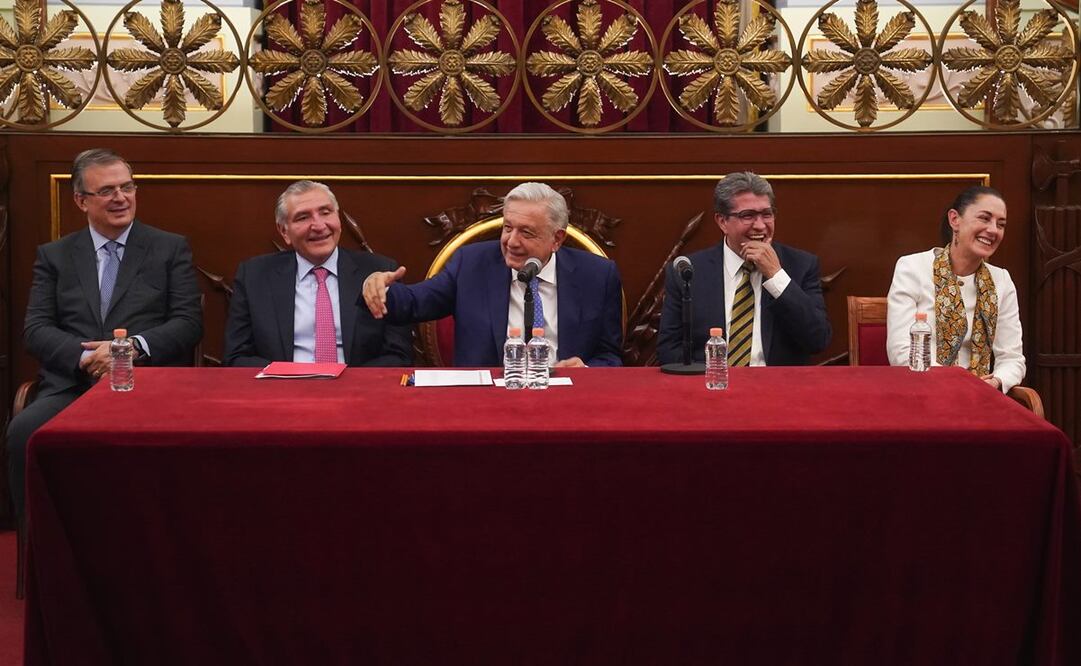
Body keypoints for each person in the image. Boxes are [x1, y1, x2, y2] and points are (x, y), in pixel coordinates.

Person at [5, 148, 203, 523]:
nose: (121, 198)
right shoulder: (55, 256)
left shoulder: (168, 248)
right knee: (23, 432)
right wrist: (87, 359)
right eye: (107, 190)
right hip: (71, 385)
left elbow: (188, 322)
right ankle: (37, 559)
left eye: (127, 187)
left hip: (149, 385)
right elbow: (36, 328)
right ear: (81, 200)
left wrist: (128, 350)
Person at [361, 182, 623, 367]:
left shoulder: (598, 276)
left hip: (567, 403)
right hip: (486, 405)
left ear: (557, 239)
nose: (511, 241)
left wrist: (587, 372)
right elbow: (413, 303)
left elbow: (610, 356)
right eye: (508, 227)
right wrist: (379, 289)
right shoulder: (471, 264)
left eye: (527, 232)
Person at [223, 180, 413, 367]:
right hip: (282, 391)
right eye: (303, 217)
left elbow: (399, 356)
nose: (319, 225)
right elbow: (236, 356)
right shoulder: (254, 276)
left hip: (357, 392)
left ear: (338, 218)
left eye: (325, 212)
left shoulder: (378, 271)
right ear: (284, 232)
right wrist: (287, 380)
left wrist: (350, 384)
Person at [657, 172, 831, 366]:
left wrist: (775, 275)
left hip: (778, 389)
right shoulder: (688, 271)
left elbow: (817, 340)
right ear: (722, 222)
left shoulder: (801, 265)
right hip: (711, 385)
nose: (760, 226)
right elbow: (668, 349)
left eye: (767, 214)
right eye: (747, 216)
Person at [887, 185, 1024, 392]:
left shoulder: (1001, 280)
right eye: (984, 218)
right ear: (954, 220)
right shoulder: (912, 268)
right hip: (922, 392)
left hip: (982, 397)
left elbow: (1012, 359)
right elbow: (901, 352)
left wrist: (996, 382)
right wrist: (956, 384)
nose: (993, 230)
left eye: (1001, 224)